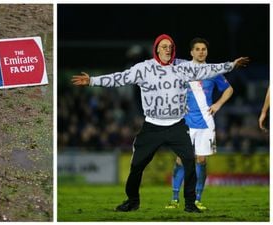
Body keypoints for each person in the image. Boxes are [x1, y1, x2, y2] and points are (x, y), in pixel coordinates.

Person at [71, 33, 249, 213]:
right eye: (164, 46)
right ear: (156, 49)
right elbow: (120, 78)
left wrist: (232, 65)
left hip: (177, 125)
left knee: (189, 161)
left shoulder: (182, 69)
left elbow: (208, 69)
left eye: (170, 46)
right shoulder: (144, 68)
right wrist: (92, 81)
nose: (168, 49)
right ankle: (132, 201)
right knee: (137, 165)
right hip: (152, 126)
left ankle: (189, 203)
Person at [165, 38, 234, 211]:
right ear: (191, 52)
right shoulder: (182, 69)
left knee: (201, 161)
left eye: (204, 49)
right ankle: (174, 199)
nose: (201, 51)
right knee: (181, 159)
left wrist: (217, 104)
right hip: (185, 122)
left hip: (206, 122)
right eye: (197, 49)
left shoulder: (213, 71)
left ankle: (197, 199)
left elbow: (229, 89)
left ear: (207, 52)